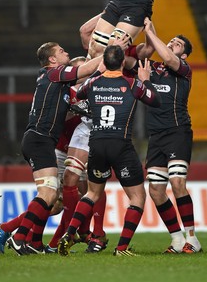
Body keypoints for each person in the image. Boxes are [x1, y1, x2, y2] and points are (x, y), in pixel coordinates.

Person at [1, 42, 104, 255]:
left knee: (51, 198)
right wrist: (111, 51)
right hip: (40, 140)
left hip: (39, 140)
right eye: (61, 51)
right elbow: (85, 70)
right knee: (48, 195)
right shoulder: (55, 73)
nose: (65, 52)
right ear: (53, 60)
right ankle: (18, 237)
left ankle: (32, 242)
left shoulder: (58, 85)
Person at [58, 45, 161, 257]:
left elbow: (79, 92)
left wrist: (98, 72)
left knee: (92, 193)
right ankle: (121, 248)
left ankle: (69, 234)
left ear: (104, 62)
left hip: (96, 144)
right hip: (120, 145)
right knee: (137, 197)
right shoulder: (132, 83)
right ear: (123, 62)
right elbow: (155, 100)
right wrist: (146, 79)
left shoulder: (93, 83)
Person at [139, 18, 202, 254]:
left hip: (178, 131)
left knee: (177, 183)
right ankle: (177, 239)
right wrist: (148, 27)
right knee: (155, 190)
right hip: (156, 136)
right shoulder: (151, 69)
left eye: (177, 44)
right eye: (171, 41)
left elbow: (167, 57)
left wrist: (151, 32)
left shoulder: (184, 70)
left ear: (183, 55)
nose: (172, 44)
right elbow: (136, 58)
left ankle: (192, 238)